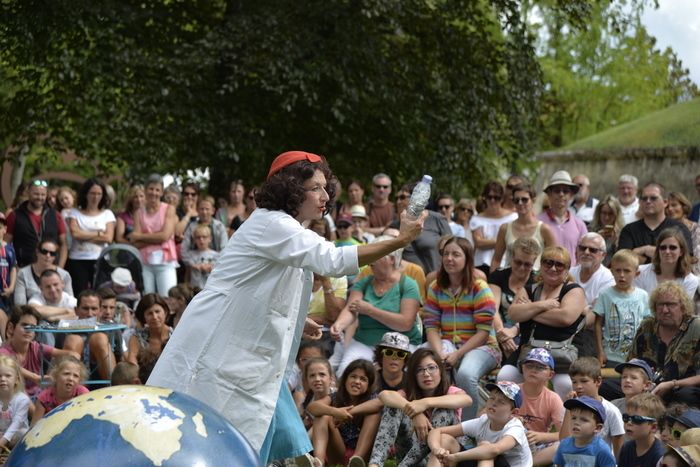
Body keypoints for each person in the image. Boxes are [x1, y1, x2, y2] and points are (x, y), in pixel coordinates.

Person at [146, 151, 425, 464]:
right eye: (315, 188)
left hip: (249, 346)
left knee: (248, 425)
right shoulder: (272, 224)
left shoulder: (288, 228)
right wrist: (399, 241)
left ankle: (296, 457)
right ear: (291, 189)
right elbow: (333, 260)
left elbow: (268, 288)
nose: (326, 196)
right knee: (194, 432)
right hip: (220, 342)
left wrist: (299, 318)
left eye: (326, 188)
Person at [423, 236, 501, 420]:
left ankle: (467, 428)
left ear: (467, 259)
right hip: (447, 345)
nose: (449, 258)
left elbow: (483, 333)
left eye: (456, 254)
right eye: (446, 254)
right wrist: (439, 352)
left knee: (466, 373)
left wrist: (458, 355)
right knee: (417, 363)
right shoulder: (436, 287)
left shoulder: (479, 287)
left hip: (483, 348)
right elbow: (431, 326)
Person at [497, 246, 586, 400]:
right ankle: (515, 416)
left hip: (561, 354)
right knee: (505, 376)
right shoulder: (528, 289)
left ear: (567, 270)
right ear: (541, 266)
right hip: (529, 351)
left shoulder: (573, 290)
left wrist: (529, 310)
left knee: (565, 384)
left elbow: (565, 317)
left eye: (559, 264)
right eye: (548, 263)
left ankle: (564, 422)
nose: (553, 268)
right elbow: (514, 313)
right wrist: (543, 305)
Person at [330, 235, 422, 377]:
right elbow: (351, 309)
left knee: (402, 376)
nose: (370, 261)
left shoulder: (408, 285)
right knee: (345, 373)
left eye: (376, 255)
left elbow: (405, 323)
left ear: (391, 259)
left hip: (401, 345)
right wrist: (339, 325)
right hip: (366, 343)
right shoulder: (364, 283)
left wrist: (371, 310)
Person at [368, 348, 471, 467]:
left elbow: (467, 400)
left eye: (431, 367)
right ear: (413, 375)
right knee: (394, 407)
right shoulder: (408, 394)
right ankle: (374, 465)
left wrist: (425, 403)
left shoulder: (451, 391)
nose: (426, 374)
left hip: (443, 457)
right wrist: (415, 413)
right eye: (419, 370)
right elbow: (384, 395)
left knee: (443, 409)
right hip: (412, 457)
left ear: (440, 370)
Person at [426, 381, 532, 467]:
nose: (494, 403)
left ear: (513, 412)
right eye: (492, 398)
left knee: (486, 448)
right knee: (444, 439)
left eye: (501, 402)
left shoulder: (515, 428)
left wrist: (456, 457)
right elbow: (437, 431)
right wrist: (437, 449)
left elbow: (495, 450)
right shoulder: (483, 421)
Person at [628, 281, 700, 407]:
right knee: (607, 387)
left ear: (683, 307)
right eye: (660, 305)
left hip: (681, 387)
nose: (665, 310)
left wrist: (673, 384)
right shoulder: (647, 326)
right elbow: (632, 362)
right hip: (647, 387)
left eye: (671, 305)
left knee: (685, 395)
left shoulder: (696, 327)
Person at [308, 359, 380, 466]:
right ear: (345, 379)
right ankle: (318, 461)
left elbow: (379, 403)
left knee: (373, 414)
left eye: (363, 379)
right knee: (322, 415)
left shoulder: (372, 397)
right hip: (338, 451)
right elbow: (312, 407)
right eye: (353, 376)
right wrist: (335, 412)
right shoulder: (336, 396)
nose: (357, 381)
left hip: (363, 454)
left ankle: (356, 461)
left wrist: (348, 412)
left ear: (369, 385)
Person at [0, 306, 79, 398]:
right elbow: (13, 367)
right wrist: (35, 377)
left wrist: (73, 356)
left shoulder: (36, 347)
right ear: (11, 328)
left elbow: (63, 353)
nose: (29, 330)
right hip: (14, 399)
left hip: (38, 397)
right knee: (20, 390)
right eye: (25, 326)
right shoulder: (3, 351)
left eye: (33, 327)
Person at [594, 249, 650, 368]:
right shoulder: (605, 295)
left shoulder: (643, 295)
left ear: (637, 273)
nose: (622, 275)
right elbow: (598, 323)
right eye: (618, 270)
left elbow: (648, 325)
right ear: (612, 271)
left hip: (636, 356)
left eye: (627, 271)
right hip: (611, 356)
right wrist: (600, 351)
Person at [559, 357, 625, 457]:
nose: (578, 386)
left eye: (584, 381)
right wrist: (569, 408)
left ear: (598, 381)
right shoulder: (572, 406)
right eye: (574, 382)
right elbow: (564, 440)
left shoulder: (611, 410)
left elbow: (618, 444)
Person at [618, 182, 692, 266]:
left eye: (653, 198)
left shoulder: (679, 228)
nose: (648, 201)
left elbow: (686, 259)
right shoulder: (629, 230)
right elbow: (623, 261)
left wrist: (644, 250)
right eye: (644, 198)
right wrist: (666, 257)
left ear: (665, 202)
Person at [488, 237, 539, 360]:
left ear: (534, 262)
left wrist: (513, 331)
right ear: (511, 258)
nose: (522, 268)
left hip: (524, 330)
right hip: (497, 328)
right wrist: (502, 334)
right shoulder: (498, 276)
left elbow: (534, 313)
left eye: (527, 264)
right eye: (518, 262)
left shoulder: (538, 281)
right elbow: (492, 308)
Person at [65, 178, 116, 295]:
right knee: (80, 293)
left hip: (100, 259)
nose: (95, 197)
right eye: (92, 193)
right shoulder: (74, 213)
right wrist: (98, 233)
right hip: (78, 259)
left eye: (99, 194)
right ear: (86, 194)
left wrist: (84, 235)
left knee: (101, 293)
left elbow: (108, 238)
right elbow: (75, 234)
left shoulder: (107, 214)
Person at [130, 174, 178, 296]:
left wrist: (140, 236)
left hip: (165, 262)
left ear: (162, 192)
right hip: (145, 263)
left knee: (167, 297)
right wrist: (158, 238)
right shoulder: (138, 212)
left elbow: (165, 236)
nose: (154, 193)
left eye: (157, 190)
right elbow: (135, 243)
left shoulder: (169, 209)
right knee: (147, 299)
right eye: (151, 189)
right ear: (145, 190)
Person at [491, 182, 556, 272]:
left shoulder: (544, 229)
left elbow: (553, 260)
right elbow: (496, 260)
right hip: (508, 279)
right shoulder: (505, 228)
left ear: (533, 200)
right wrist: (492, 281)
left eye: (524, 200)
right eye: (516, 200)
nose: (520, 203)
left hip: (535, 281)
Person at [570, 232, 616, 358]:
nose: (586, 252)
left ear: (603, 255)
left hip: (590, 335)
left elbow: (593, 318)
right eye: (582, 248)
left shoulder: (608, 279)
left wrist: (570, 310)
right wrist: (585, 308)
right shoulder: (570, 272)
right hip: (568, 328)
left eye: (593, 250)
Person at [516, 348, 565, 465]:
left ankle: (523, 464)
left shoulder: (553, 398)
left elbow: (564, 435)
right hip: (510, 441)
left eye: (540, 367)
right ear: (522, 368)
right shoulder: (512, 391)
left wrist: (541, 437)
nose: (533, 370)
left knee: (563, 446)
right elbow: (484, 415)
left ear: (550, 374)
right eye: (529, 366)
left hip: (538, 445)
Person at [6, 179, 68, 268]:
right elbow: (6, 243)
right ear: (28, 193)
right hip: (22, 267)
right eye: (36, 194)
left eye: (43, 194)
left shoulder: (56, 215)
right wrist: (11, 267)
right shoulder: (15, 215)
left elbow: (63, 245)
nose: (39, 197)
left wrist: (59, 268)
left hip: (50, 269)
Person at [390, 182, 451, 273]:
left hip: (436, 279)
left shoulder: (436, 219)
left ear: (416, 198)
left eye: (402, 197)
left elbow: (452, 247)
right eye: (397, 198)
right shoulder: (394, 225)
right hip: (409, 281)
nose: (398, 202)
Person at [538, 170, 588, 266]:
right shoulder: (538, 222)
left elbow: (584, 254)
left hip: (571, 277)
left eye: (565, 191)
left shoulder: (579, 225)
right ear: (549, 194)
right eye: (557, 191)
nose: (561, 194)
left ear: (571, 195)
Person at [634, 228, 699, 300]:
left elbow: (683, 309)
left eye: (672, 247)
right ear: (658, 251)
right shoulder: (640, 272)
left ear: (681, 252)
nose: (667, 251)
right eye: (663, 248)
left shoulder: (690, 280)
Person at [553, 396, 616, 467]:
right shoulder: (564, 445)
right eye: (573, 418)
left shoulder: (602, 450)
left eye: (584, 420)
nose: (576, 422)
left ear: (598, 427)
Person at [471, 181, 517, 274]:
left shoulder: (512, 217)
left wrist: (488, 242)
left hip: (505, 264)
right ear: (484, 197)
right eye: (489, 197)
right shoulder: (476, 219)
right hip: (481, 264)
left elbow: (513, 241)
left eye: (496, 197)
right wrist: (503, 241)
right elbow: (479, 243)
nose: (492, 200)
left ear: (502, 198)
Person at [31, 355, 89, 425]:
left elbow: (88, 422)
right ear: (56, 375)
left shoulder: (83, 394)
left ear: (79, 381)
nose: (70, 378)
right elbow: (34, 428)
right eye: (66, 374)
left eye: (75, 376)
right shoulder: (44, 398)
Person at [13, 239, 73, 306]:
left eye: (52, 253)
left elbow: (70, 301)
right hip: (31, 313)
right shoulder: (23, 274)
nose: (48, 255)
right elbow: (20, 304)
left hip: (61, 314)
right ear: (37, 252)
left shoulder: (64, 275)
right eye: (44, 252)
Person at [617, 393, 666, 467]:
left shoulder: (660, 456)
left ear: (653, 427)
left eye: (637, 419)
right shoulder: (627, 447)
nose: (629, 423)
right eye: (626, 417)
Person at [126, 293, 172, 365]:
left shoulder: (175, 335)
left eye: (157, 311)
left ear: (165, 312)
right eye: (150, 313)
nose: (154, 317)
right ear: (143, 317)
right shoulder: (136, 338)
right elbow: (132, 365)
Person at [0, 356, 30, 449]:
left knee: (24, 433)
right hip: (1, 434)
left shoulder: (22, 399)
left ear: (16, 379)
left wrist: (2, 441)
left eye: (8, 376)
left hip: (15, 435)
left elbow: (16, 424)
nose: (3, 379)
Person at [666, 191, 700, 274]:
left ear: (683, 206)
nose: (670, 209)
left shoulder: (697, 229)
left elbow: (695, 258)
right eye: (667, 207)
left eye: (674, 205)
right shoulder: (664, 230)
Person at [589, 194, 625, 266]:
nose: (607, 217)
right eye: (604, 213)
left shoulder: (623, 232)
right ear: (599, 213)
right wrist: (596, 240)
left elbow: (624, 258)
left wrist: (616, 244)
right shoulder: (590, 230)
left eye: (610, 214)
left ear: (616, 214)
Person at [182, 224, 219, 289]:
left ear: (210, 239)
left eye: (204, 237)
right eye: (198, 237)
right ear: (194, 240)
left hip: (211, 288)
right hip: (195, 289)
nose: (201, 240)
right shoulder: (190, 255)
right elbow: (188, 273)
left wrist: (211, 267)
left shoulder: (216, 255)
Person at [0, 214, 17, 315]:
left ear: (5, 229)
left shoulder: (9, 249)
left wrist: (11, 287)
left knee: (6, 316)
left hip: (6, 292)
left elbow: (13, 269)